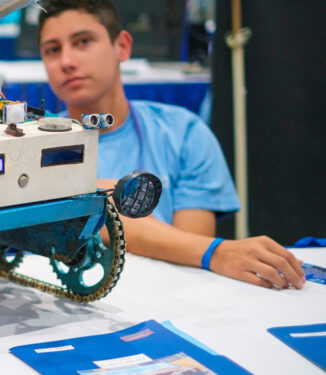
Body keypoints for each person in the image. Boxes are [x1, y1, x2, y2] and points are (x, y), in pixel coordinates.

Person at [37, 0, 305, 289]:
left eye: (83, 42)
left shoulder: (183, 133)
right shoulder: (34, 149)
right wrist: (217, 252)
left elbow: (190, 253)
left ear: (123, 46)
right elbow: (198, 249)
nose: (67, 61)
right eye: (52, 50)